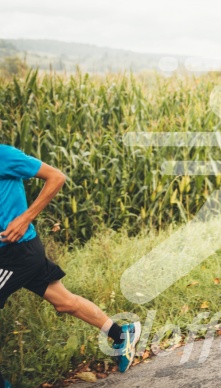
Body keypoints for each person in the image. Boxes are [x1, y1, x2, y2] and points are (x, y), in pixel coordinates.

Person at [0, 145, 141, 387]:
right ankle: (122, 334)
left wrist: (25, 218)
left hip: (17, 252)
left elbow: (56, 177)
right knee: (65, 302)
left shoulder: (3, 155)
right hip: (17, 253)